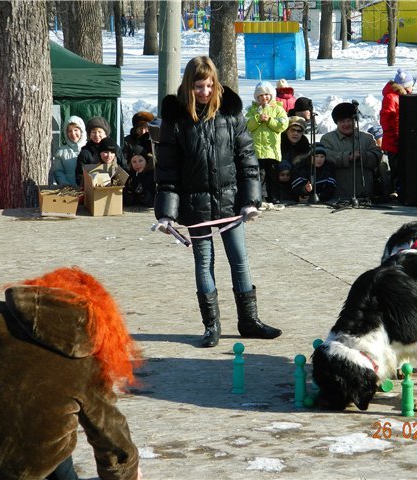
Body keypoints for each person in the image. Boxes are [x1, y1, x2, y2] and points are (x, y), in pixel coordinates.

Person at [0, 266, 142, 480]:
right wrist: (126, 473)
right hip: (27, 464)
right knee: (54, 433)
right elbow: (108, 427)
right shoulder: (87, 364)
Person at [155, 56, 282, 348]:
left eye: (209, 85)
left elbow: (247, 158)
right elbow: (168, 171)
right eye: (198, 86)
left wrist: (251, 200)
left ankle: (249, 321)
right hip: (195, 205)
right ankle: (211, 325)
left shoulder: (230, 112)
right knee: (204, 262)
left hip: (230, 201)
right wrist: (166, 213)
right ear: (189, 86)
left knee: (239, 261)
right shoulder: (176, 119)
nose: (204, 91)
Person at [320, 102, 382, 200]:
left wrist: (363, 156)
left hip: (365, 197)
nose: (346, 124)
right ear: (337, 123)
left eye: (349, 120)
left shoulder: (367, 138)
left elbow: (377, 156)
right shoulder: (327, 139)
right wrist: (348, 157)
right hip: (337, 197)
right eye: (342, 121)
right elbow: (326, 157)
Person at [246, 81, 289, 203]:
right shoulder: (252, 110)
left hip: (272, 150)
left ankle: (274, 196)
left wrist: (270, 120)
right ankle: (261, 197)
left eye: (266, 95)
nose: (264, 98)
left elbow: (282, 125)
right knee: (260, 175)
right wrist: (257, 119)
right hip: (257, 150)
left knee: (273, 175)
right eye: (260, 96)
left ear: (271, 95)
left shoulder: (278, 109)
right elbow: (247, 125)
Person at [380, 68, 414, 197]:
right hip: (393, 140)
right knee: (396, 167)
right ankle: (394, 190)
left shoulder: (402, 97)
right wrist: (396, 137)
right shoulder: (392, 98)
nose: (412, 89)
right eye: (410, 87)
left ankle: (401, 188)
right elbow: (389, 119)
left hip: (401, 138)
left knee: (402, 166)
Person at [75, 116, 125, 185]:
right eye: (94, 132)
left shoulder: (115, 148)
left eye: (99, 132)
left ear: (105, 133)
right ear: (89, 134)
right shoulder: (85, 152)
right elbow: (79, 175)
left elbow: (123, 167)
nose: (97, 135)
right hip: (93, 189)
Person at [52, 115, 86, 187]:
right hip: (70, 193)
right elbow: (58, 171)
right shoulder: (61, 152)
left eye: (76, 130)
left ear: (81, 130)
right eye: (69, 131)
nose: (73, 134)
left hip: (89, 192)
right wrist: (65, 184)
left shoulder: (89, 149)